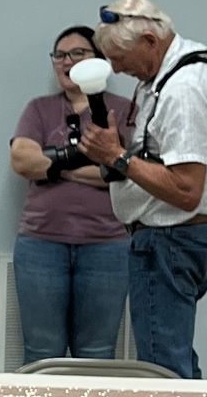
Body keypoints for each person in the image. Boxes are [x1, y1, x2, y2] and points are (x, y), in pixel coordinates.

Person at [79, 0, 207, 379]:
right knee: (176, 363)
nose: (115, 69)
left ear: (150, 40)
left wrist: (117, 157)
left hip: (168, 241)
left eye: (119, 58)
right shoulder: (170, 75)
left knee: (164, 372)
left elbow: (186, 190)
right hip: (177, 240)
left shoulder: (184, 90)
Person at [7, 25, 134, 363]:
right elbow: (22, 159)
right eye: (60, 55)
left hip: (107, 245)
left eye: (78, 53)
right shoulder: (39, 109)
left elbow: (127, 173)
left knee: (96, 352)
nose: (67, 61)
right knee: (41, 351)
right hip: (41, 244)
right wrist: (89, 162)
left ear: (99, 60)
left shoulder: (121, 110)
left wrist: (54, 162)